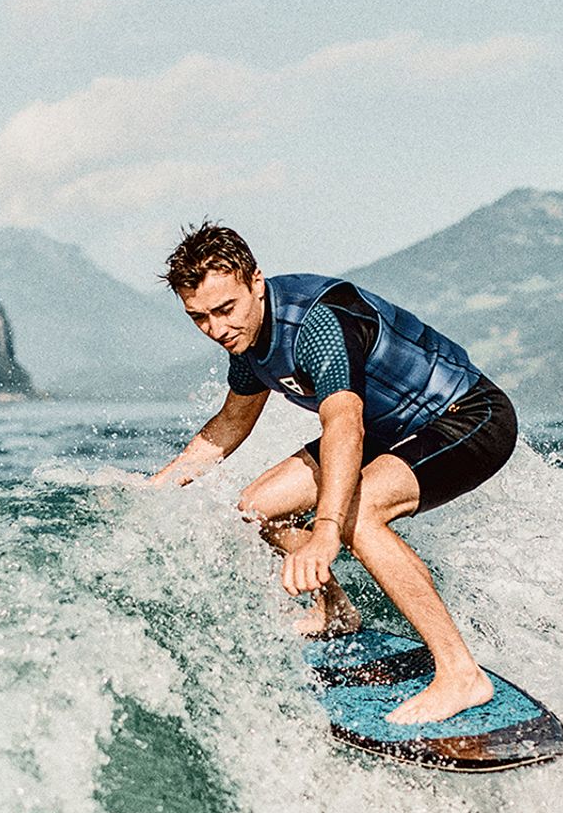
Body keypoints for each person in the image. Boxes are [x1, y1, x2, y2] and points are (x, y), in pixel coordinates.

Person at [149, 222, 518, 725]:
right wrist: (155, 488)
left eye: (224, 310)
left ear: (256, 282)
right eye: (199, 318)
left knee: (357, 515)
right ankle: (335, 611)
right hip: (388, 432)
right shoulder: (248, 342)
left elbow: (343, 422)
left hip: (467, 417)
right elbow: (230, 424)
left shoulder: (314, 323)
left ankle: (460, 672)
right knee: (255, 507)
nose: (215, 329)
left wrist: (325, 533)